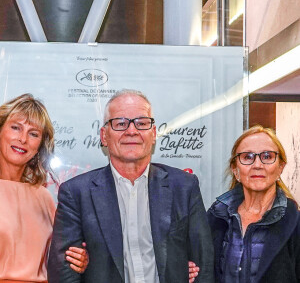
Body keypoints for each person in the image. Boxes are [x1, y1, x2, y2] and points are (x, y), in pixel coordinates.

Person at [48, 89, 214, 283]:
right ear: (104, 136)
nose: (132, 131)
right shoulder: (76, 193)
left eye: (142, 123)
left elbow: (204, 263)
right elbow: (64, 272)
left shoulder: (184, 186)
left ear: (153, 134)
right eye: (120, 124)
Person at [0, 94, 88, 282]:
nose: (23, 139)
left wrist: (80, 260)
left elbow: (60, 257)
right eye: (16, 128)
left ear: (40, 145)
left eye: (33, 133)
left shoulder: (44, 197)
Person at [207, 125, 300, 282]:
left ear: (280, 168)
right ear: (235, 170)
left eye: (267, 156)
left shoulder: (295, 224)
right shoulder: (215, 217)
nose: (257, 165)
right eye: (248, 157)